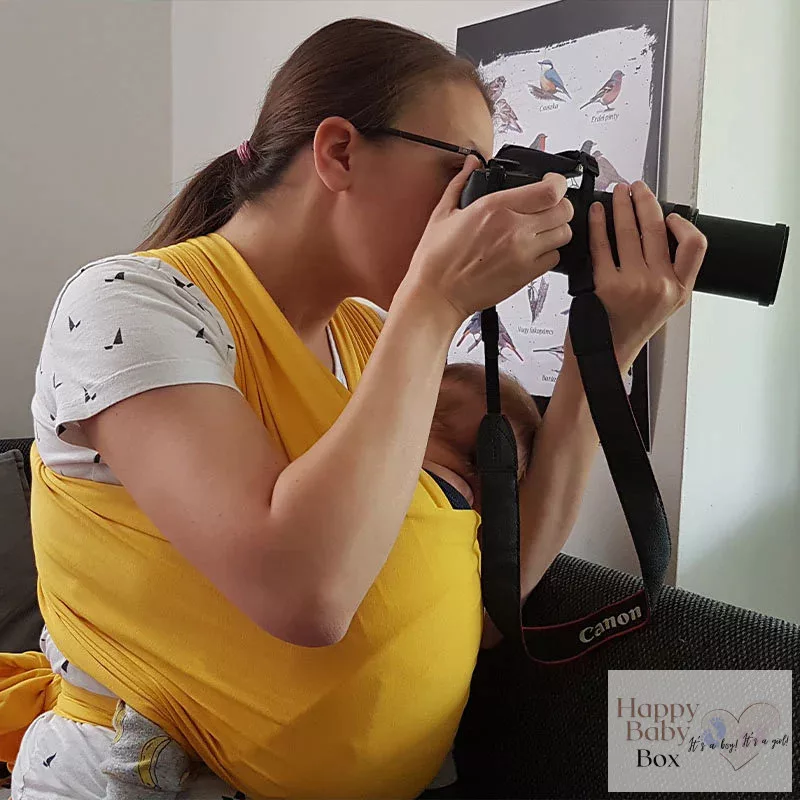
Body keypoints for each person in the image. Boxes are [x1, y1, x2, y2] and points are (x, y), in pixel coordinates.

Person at [0, 17, 707, 800]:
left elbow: (488, 599)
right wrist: (434, 305)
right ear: (338, 152)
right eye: (461, 174)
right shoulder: (127, 303)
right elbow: (305, 593)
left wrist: (602, 354)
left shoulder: (370, 339)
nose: (473, 210)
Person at [87, 362, 539, 800]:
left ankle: (143, 763)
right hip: (401, 750)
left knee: (166, 689)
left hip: (249, 688)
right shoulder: (466, 534)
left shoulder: (362, 478)